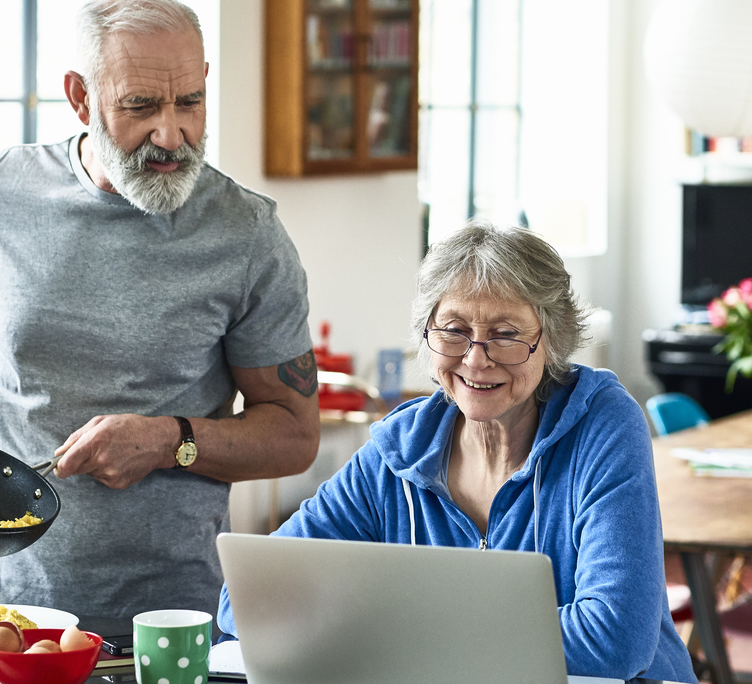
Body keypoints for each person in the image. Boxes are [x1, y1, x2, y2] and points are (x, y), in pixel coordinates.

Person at [0, 0, 320, 618]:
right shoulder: (0, 191)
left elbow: (293, 434)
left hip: (167, 619)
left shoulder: (248, 235)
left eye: (191, 102)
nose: (171, 133)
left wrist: (168, 440)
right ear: (80, 97)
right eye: (141, 105)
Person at [218, 222, 695, 683]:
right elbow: (245, 601)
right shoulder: (398, 451)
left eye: (506, 334)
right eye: (453, 329)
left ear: (552, 339)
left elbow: (616, 638)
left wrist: (395, 632)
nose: (475, 358)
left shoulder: (603, 425)